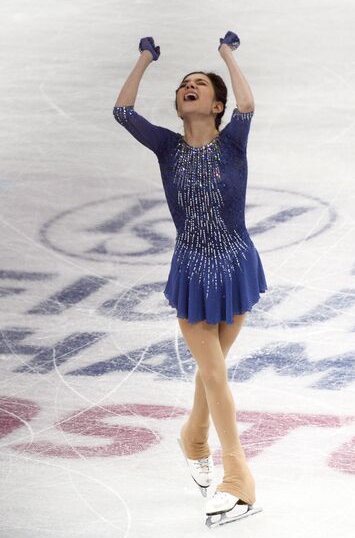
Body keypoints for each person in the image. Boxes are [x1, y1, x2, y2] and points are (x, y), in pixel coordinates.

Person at [113, 31, 267, 528]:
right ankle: (238, 478)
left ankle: (194, 437)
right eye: (184, 85)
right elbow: (123, 112)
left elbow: (248, 102)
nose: (189, 87)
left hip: (236, 264)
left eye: (199, 84)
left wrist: (226, 55)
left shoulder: (233, 142)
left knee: (213, 367)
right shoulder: (166, 147)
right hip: (193, 270)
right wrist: (145, 60)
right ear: (180, 105)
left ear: (215, 104)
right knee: (216, 372)